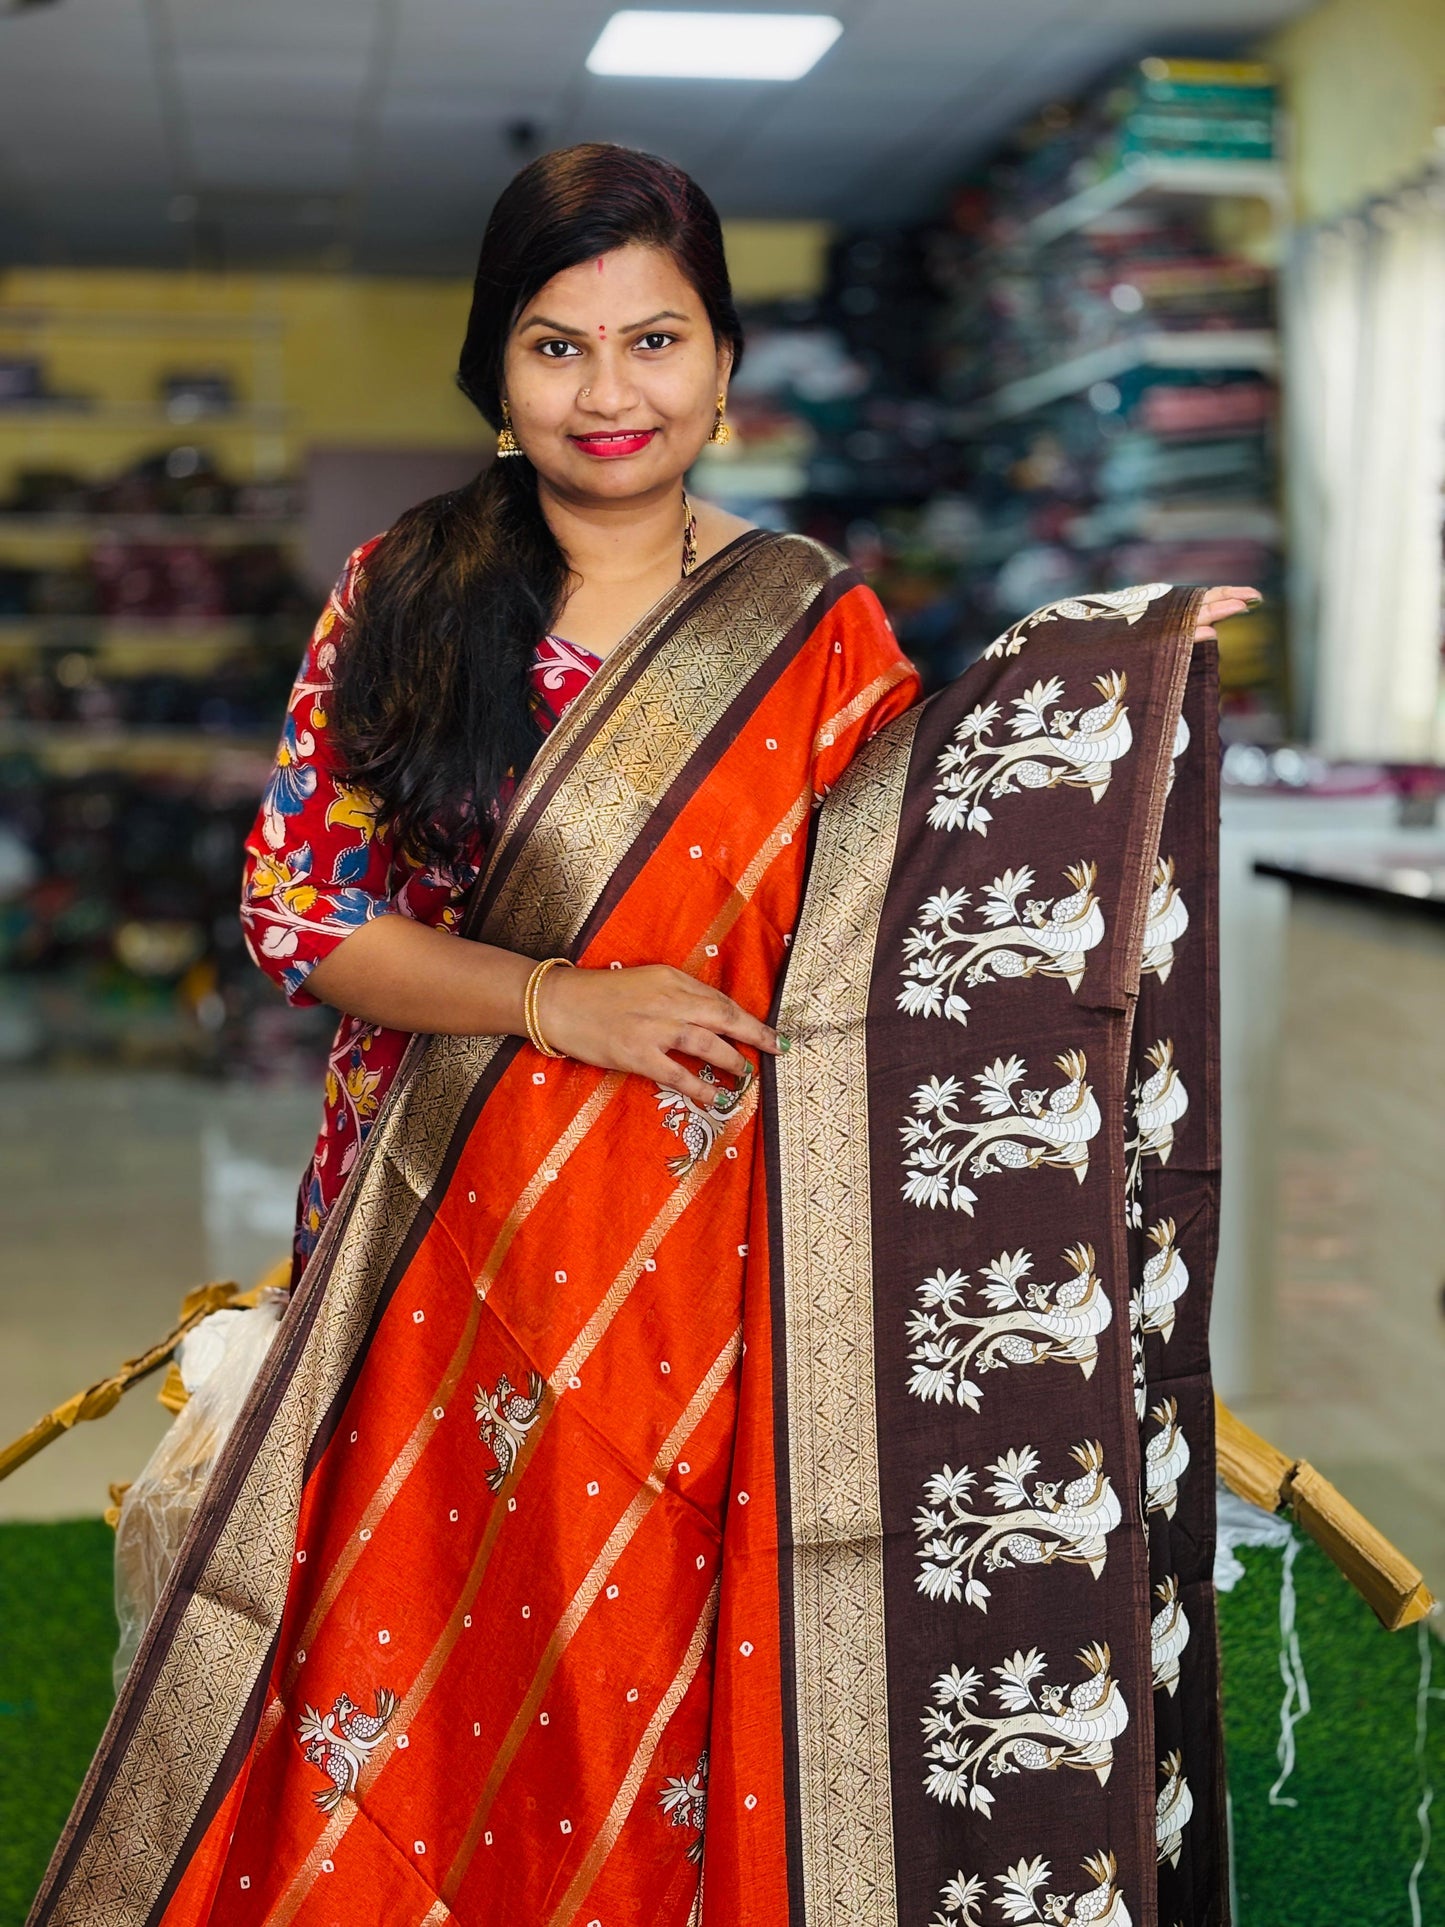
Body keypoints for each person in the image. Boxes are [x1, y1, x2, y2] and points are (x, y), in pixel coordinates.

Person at [32, 144, 1253, 1927]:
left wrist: (1113, 675)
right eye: (556, 345)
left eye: (655, 339)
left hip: (711, 1237)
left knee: (659, 1648)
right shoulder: (407, 595)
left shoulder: (813, 620)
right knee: (424, 1635)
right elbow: (302, 912)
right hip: (444, 1220)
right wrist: (555, 1000)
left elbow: (916, 881)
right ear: (496, 377)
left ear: (725, 365)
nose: (611, 393)